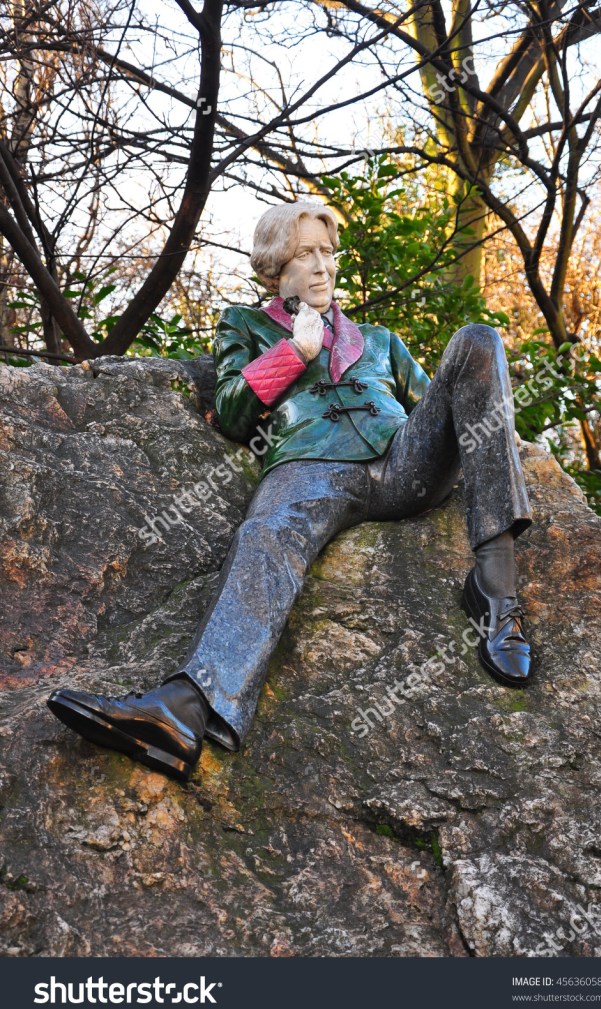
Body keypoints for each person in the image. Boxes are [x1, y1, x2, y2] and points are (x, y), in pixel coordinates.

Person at [48, 201, 532, 782]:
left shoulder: (379, 339)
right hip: (310, 465)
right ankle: (185, 710)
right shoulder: (244, 326)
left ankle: (496, 593)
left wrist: (504, 436)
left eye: (328, 253)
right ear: (276, 269)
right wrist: (294, 353)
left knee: (478, 338)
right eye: (305, 254)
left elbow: (450, 406)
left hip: (405, 460)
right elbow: (231, 411)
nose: (322, 267)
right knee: (266, 534)